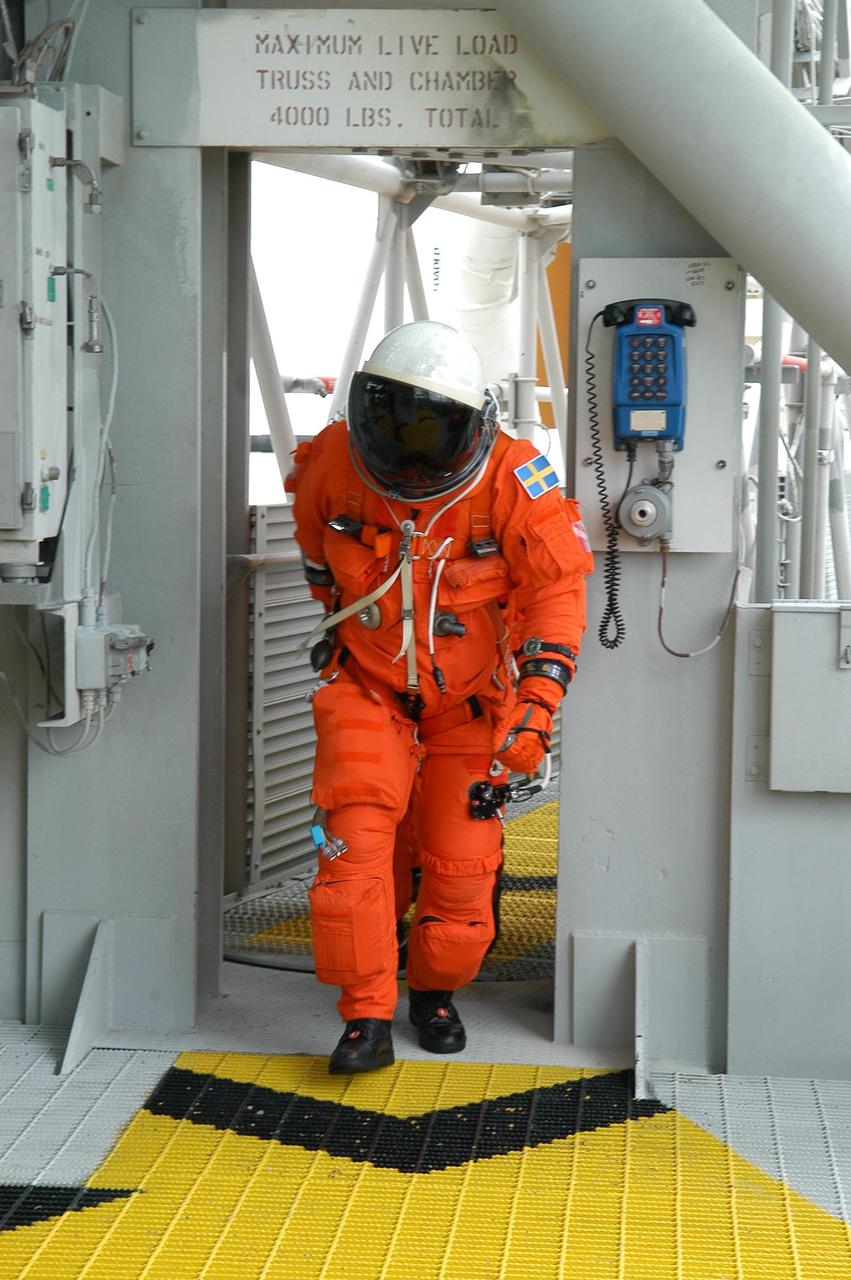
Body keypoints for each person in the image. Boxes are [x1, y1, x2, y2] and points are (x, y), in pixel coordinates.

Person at [286, 321, 592, 1073]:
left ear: (476, 423)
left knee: (460, 873)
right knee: (354, 857)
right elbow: (311, 542)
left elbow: (557, 595)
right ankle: (364, 1013)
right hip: (368, 689)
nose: (411, 459)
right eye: (394, 434)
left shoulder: (513, 481)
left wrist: (535, 710)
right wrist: (333, 619)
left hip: (470, 707)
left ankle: (433, 991)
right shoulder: (333, 464)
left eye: (433, 438)